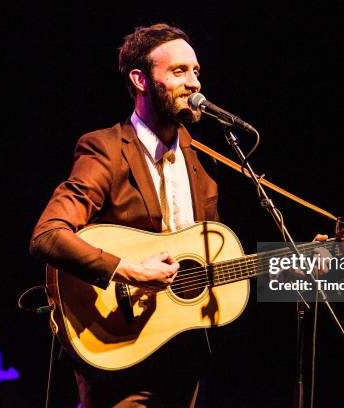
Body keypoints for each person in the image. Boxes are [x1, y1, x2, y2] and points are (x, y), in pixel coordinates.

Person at [30, 23, 217, 407]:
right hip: (117, 349)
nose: (194, 83)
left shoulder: (203, 164)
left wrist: (294, 264)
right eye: (179, 71)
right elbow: (48, 234)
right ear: (141, 79)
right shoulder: (106, 149)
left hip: (184, 354)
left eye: (196, 71)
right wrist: (128, 270)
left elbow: (212, 266)